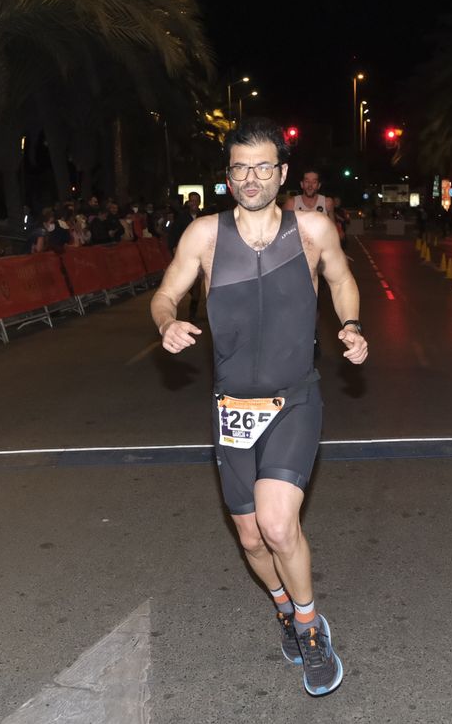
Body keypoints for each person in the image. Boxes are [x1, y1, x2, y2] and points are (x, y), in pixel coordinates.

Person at [151, 118, 367, 698]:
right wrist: (167, 322)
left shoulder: (313, 228)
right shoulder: (204, 235)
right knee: (250, 538)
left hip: (295, 398)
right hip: (232, 407)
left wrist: (351, 325)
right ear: (228, 176)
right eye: (241, 168)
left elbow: (342, 279)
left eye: (263, 167)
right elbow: (166, 293)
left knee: (276, 524)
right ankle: (283, 609)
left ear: (282, 172)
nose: (252, 178)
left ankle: (310, 627)